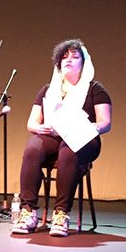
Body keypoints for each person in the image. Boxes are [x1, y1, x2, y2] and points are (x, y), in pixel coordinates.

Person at [12, 39, 112, 237]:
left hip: (84, 138)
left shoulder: (95, 89)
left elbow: (105, 123)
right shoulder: (48, 90)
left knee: (69, 149)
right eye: (64, 57)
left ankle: (61, 213)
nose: (68, 60)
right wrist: (42, 128)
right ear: (58, 63)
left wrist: (83, 126)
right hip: (54, 135)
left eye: (75, 57)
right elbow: (31, 123)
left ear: (83, 64)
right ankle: (28, 211)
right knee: (33, 148)